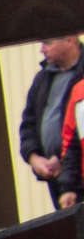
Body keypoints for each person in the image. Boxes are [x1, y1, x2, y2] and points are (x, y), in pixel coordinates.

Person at [19, 36, 80, 185]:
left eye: (48, 43)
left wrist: (64, 161)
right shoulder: (42, 78)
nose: (42, 49)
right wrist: (34, 158)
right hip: (54, 176)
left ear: (69, 40)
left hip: (77, 174)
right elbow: (28, 123)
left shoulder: (81, 75)